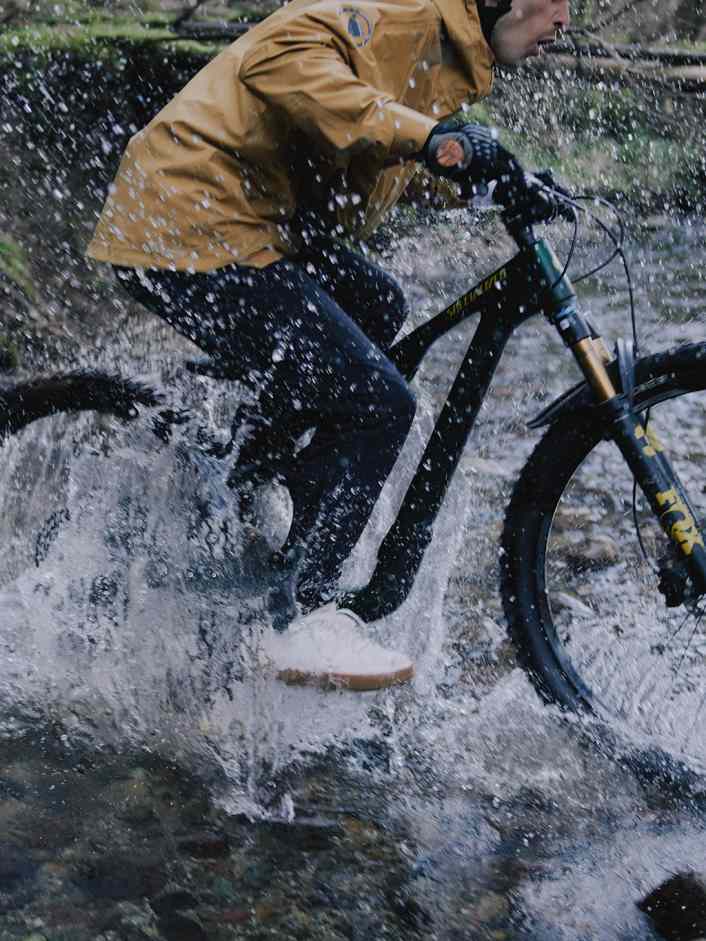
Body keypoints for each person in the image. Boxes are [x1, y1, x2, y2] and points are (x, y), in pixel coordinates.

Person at [86, 0, 570, 690]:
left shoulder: (442, 50)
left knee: (378, 306)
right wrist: (433, 137)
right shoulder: (401, 10)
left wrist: (488, 183)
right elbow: (286, 66)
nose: (565, 20)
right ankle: (299, 612)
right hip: (186, 220)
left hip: (251, 221)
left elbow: (377, 148)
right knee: (379, 403)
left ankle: (251, 479)